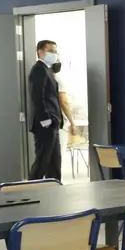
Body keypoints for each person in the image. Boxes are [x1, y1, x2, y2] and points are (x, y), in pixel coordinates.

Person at [28, 40, 75, 180]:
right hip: (45, 125)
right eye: (51, 51)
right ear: (40, 52)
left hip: (53, 123)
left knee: (55, 162)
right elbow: (38, 97)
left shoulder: (48, 70)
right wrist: (46, 120)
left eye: (55, 51)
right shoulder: (38, 70)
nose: (54, 54)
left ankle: (54, 188)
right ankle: (30, 190)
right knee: (42, 161)